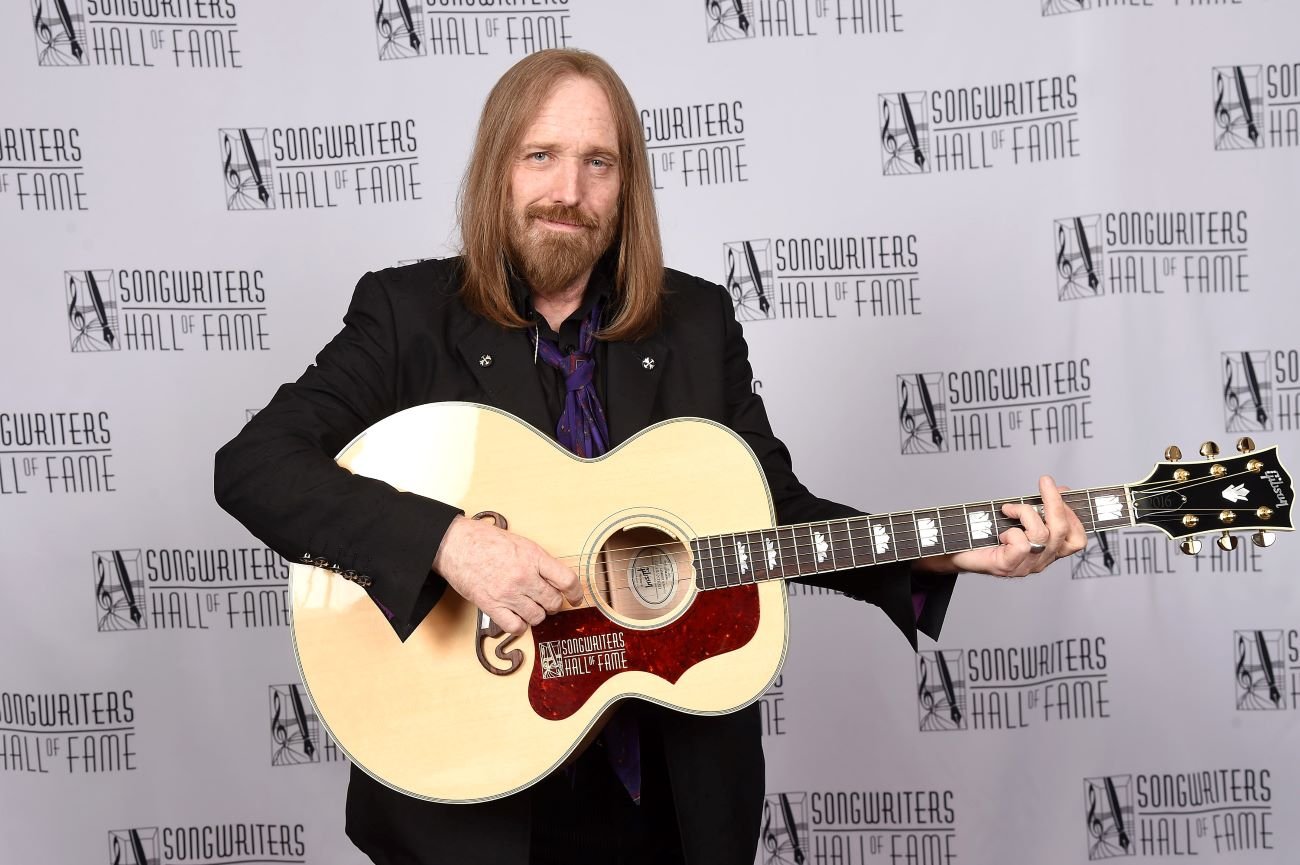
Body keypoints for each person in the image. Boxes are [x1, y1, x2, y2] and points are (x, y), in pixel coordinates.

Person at [214, 48, 1085, 865]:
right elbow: (255, 464)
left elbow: (772, 515)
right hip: (471, 801)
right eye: (541, 155)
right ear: (495, 173)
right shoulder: (408, 315)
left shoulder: (695, 324)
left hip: (665, 803)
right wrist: (450, 543)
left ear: (627, 186)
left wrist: (950, 547)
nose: (568, 189)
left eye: (599, 162)